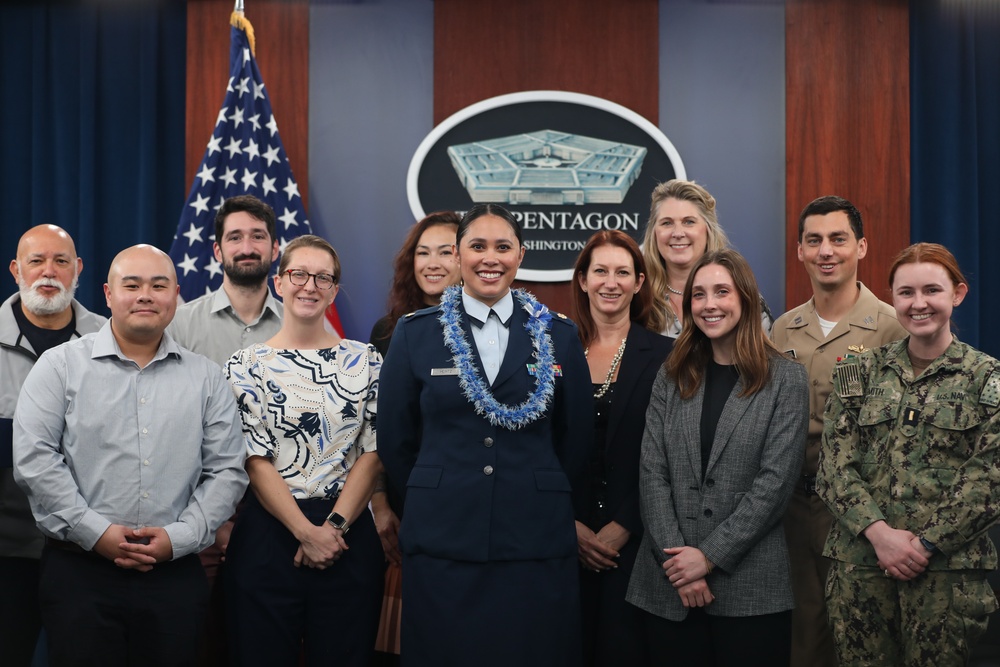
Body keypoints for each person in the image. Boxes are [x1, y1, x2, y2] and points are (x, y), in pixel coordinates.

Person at [379, 203, 594, 667]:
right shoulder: (415, 334)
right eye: (477, 246)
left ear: (521, 255)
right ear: (457, 256)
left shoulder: (558, 334)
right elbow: (396, 439)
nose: (489, 258)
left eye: (502, 246)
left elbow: (575, 438)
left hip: (534, 536)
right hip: (443, 536)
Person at [12, 244, 248, 666]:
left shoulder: (207, 378)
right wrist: (96, 533)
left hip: (175, 576)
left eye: (159, 285)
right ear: (107, 294)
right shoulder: (59, 366)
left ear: (177, 294)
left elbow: (227, 471)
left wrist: (177, 539)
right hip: (79, 574)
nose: (145, 295)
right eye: (132, 284)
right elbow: (35, 461)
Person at [818, 242, 1000, 666]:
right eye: (906, 293)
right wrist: (881, 536)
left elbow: (989, 479)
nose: (919, 304)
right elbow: (834, 466)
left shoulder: (987, 380)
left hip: (945, 577)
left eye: (932, 290)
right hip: (861, 568)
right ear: (892, 298)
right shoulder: (858, 374)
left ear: (957, 294)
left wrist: (925, 544)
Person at [627, 249, 808, 667]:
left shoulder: (785, 379)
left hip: (750, 590)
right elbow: (652, 474)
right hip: (668, 585)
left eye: (722, 292)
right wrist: (679, 564)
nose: (709, 305)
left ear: (745, 298)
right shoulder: (671, 375)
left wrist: (706, 558)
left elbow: (775, 485)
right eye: (699, 295)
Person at [225, 234, 384, 666]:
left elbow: (374, 451)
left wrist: (330, 528)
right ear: (279, 281)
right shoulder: (245, 364)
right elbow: (253, 459)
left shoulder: (365, 360)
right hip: (269, 533)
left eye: (323, 278)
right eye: (298, 274)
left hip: (346, 535)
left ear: (334, 290)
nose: (309, 285)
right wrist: (304, 531)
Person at [770, 195, 906, 667]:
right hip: (792, 506)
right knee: (804, 636)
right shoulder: (784, 330)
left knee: (864, 637)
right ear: (801, 252)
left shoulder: (892, 328)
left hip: (862, 512)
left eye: (838, 239)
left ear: (862, 247)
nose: (826, 250)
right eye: (815, 240)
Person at [167, 194, 283, 665]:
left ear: (275, 248)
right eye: (234, 237)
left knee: (262, 647)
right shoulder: (177, 324)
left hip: (276, 517)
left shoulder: (304, 325)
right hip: (191, 515)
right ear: (217, 251)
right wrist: (207, 522)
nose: (247, 246)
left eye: (258, 236)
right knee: (193, 645)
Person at [0, 224, 106, 667]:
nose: (49, 272)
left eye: (61, 261)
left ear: (78, 268)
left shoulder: (111, 338)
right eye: (36, 261)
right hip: (5, 551)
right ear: (15, 270)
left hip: (89, 548)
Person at [571, 230, 672, 667]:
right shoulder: (552, 350)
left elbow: (674, 453)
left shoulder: (668, 355)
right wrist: (567, 524)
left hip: (637, 543)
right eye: (600, 271)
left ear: (639, 282)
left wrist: (625, 524)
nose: (610, 282)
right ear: (582, 280)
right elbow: (537, 448)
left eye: (622, 272)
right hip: (562, 541)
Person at [367, 210, 460, 665]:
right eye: (422, 253)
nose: (433, 263)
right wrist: (382, 504)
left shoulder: (501, 332)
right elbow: (380, 429)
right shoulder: (388, 333)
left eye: (446, 251)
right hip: (403, 507)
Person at [640, 179, 773, 337]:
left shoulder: (743, 296)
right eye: (667, 223)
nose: (677, 233)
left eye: (689, 222)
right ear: (654, 233)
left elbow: (765, 358)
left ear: (708, 229)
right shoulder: (638, 300)